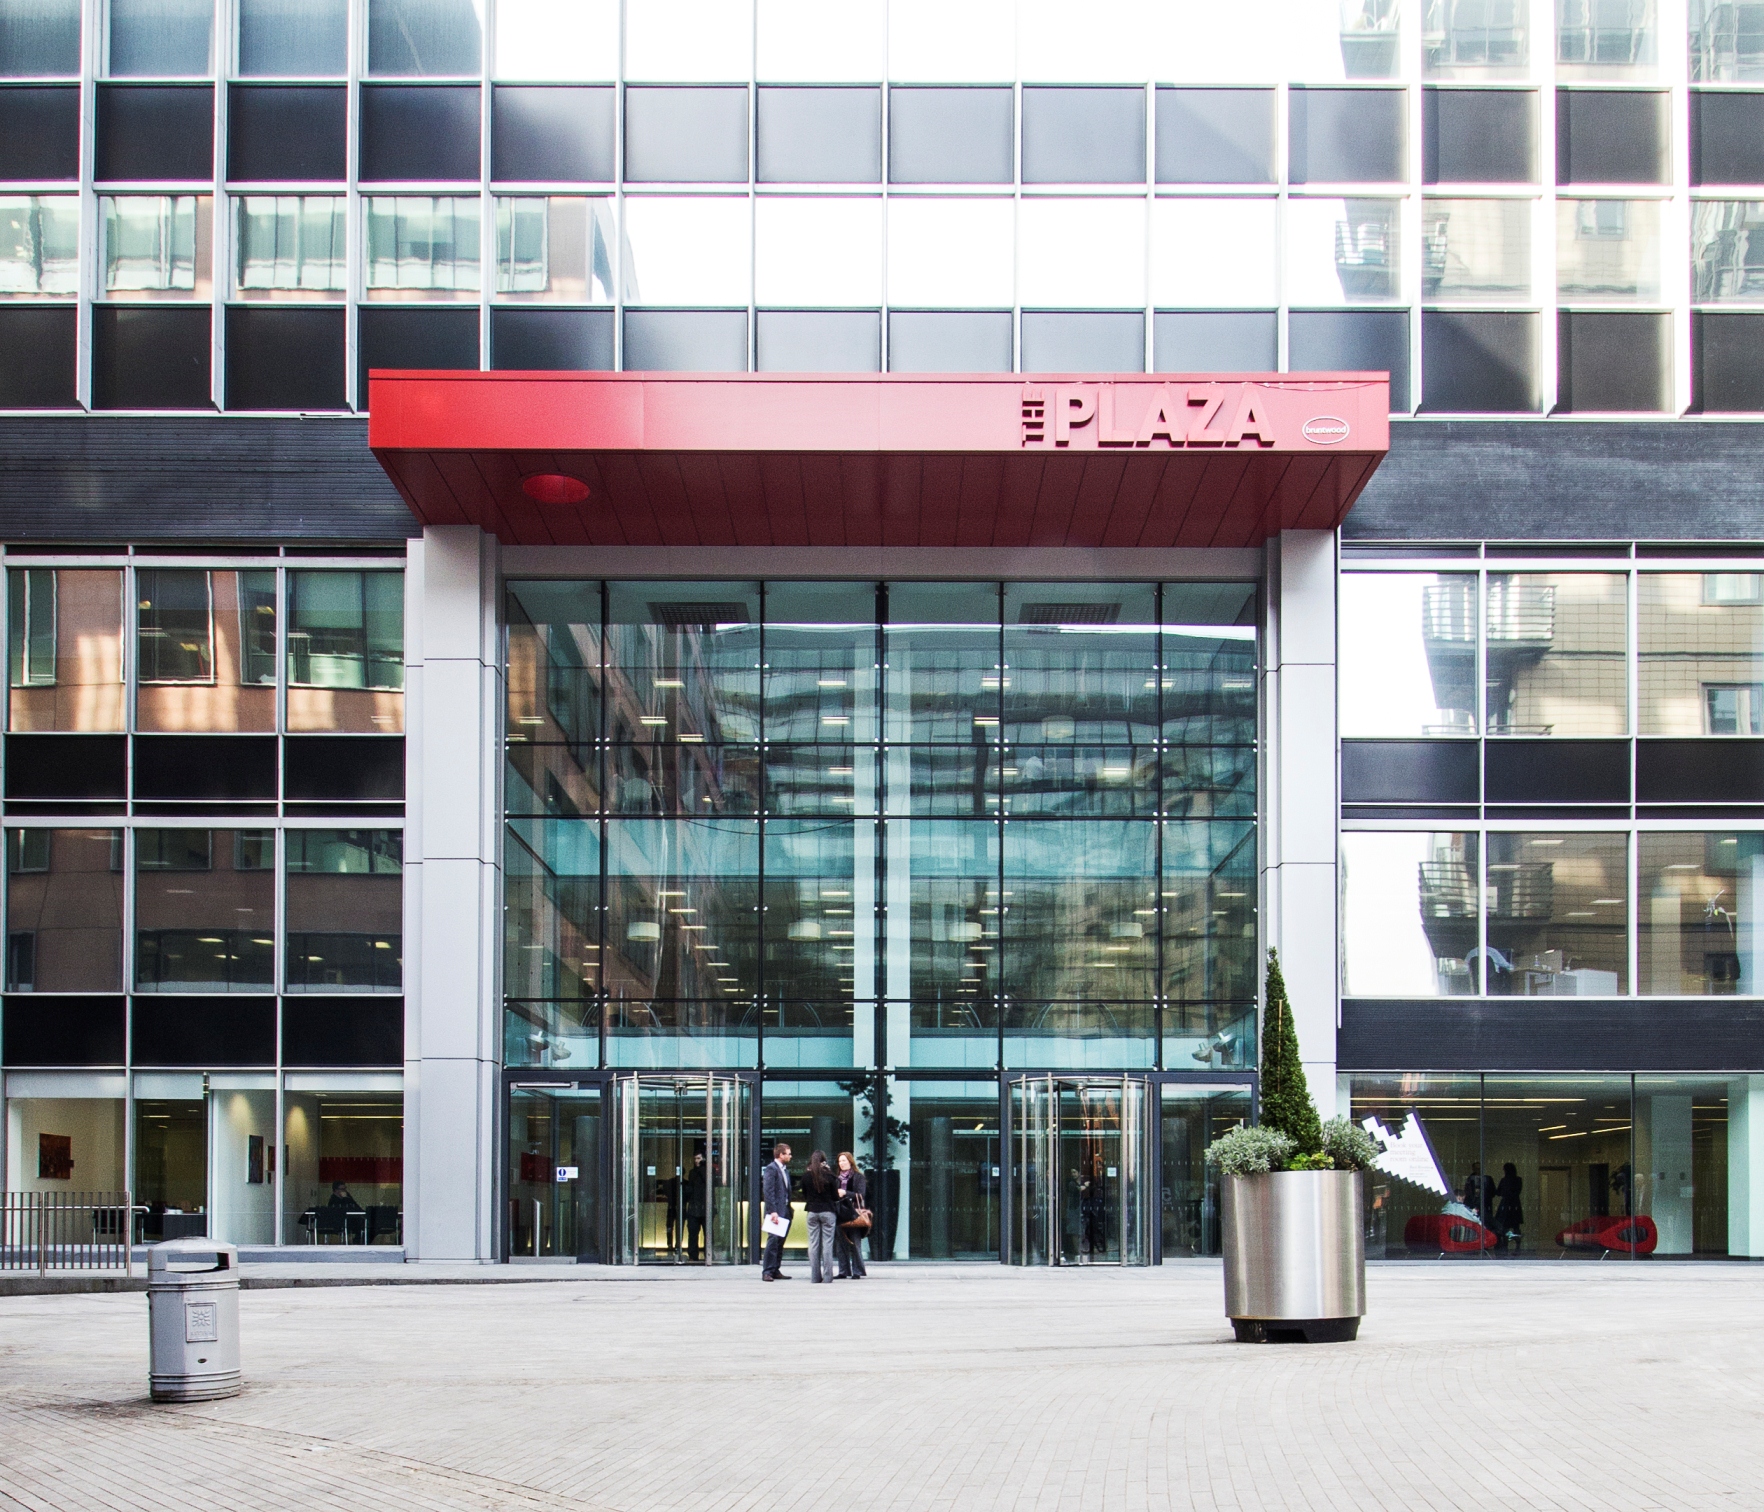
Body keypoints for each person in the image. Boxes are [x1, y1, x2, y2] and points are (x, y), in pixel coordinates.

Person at [802, 1149, 840, 1283]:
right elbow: (835, 1196)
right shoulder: (829, 1176)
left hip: (812, 1211)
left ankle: (815, 1277)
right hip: (828, 1211)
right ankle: (828, 1277)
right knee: (827, 1245)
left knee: (813, 1244)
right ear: (824, 1161)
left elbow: (805, 1194)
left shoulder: (806, 1176)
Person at [761, 1141, 793, 1281]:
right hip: (776, 1211)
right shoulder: (771, 1168)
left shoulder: (784, 1170)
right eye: (788, 1154)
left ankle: (775, 1269)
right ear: (781, 1155)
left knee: (780, 1242)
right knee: (773, 1241)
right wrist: (772, 1211)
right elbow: (768, 1191)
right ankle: (767, 1271)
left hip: (785, 1209)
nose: (790, 1156)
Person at [834, 1150, 867, 1279]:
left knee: (855, 1242)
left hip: (853, 1213)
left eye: (843, 1160)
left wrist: (845, 1193)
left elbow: (861, 1195)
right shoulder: (836, 1178)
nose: (841, 1163)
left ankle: (857, 1271)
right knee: (840, 1243)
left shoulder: (858, 1177)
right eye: (839, 1161)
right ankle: (843, 1271)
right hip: (839, 1213)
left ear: (850, 1161)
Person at [1493, 1161, 1524, 1253]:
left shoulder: (1504, 1180)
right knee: (1516, 1226)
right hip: (1515, 1204)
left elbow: (1498, 1192)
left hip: (1506, 1204)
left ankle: (1505, 1245)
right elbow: (1517, 1192)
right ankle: (1518, 1246)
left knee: (1504, 1226)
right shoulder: (1518, 1179)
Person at [683, 1150, 708, 1262]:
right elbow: (691, 1188)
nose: (696, 1161)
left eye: (699, 1158)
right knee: (692, 1233)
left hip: (705, 1207)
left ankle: (708, 1254)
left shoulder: (708, 1171)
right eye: (695, 1159)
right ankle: (693, 1256)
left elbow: (707, 1181)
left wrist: (702, 1167)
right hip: (694, 1207)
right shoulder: (692, 1172)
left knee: (708, 1234)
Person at [1462, 1163, 1495, 1228]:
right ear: (1473, 1169)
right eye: (1477, 1169)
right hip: (1473, 1204)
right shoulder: (1470, 1179)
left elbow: (1492, 1191)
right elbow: (1468, 1192)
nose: (1479, 1170)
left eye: (1480, 1169)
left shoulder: (1487, 1179)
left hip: (1485, 1204)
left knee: (1488, 1222)